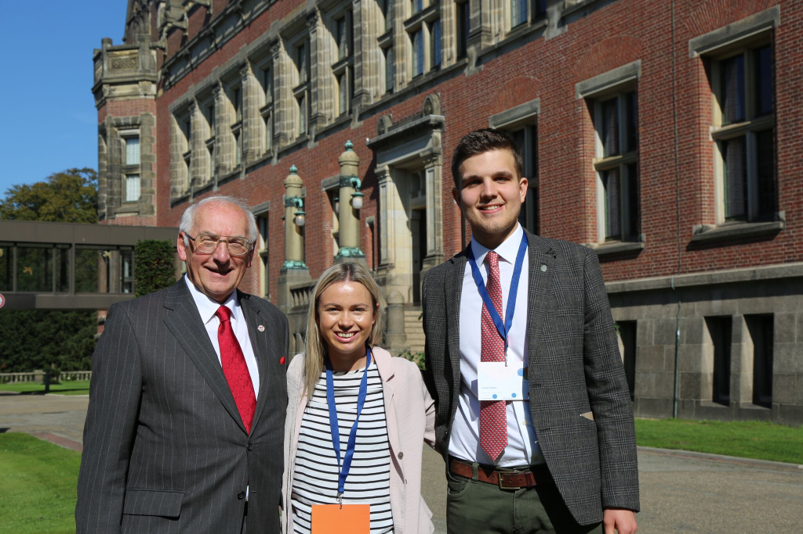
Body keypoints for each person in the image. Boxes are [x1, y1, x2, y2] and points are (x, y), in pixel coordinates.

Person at [422, 129, 639, 534]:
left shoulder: (575, 266)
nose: (488, 192)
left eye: (500, 178)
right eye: (473, 183)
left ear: (522, 188)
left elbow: (610, 389)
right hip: (473, 493)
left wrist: (620, 497)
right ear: (457, 197)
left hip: (561, 491)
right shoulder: (438, 284)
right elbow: (440, 383)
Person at [76, 196, 289, 534]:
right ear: (183, 246)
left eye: (236, 244)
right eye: (208, 241)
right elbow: (103, 462)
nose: (221, 257)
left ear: (250, 254)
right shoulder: (135, 323)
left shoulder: (272, 322)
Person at [281, 262, 435, 534]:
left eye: (357, 309)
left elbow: (448, 437)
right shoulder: (298, 373)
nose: (346, 321)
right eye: (333, 309)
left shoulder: (402, 377)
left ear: (374, 314)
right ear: (317, 314)